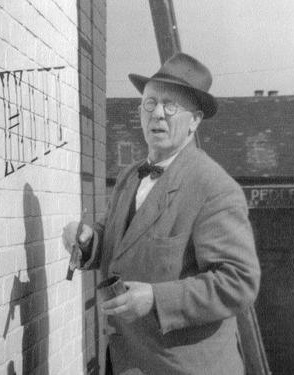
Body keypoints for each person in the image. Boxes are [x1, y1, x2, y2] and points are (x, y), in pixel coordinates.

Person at [62, 53, 261, 375]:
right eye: (150, 103)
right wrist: (89, 242)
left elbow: (239, 283)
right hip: (128, 360)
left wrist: (157, 298)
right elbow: (124, 245)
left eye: (171, 106)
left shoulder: (214, 188)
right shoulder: (130, 176)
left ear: (195, 121)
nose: (157, 114)